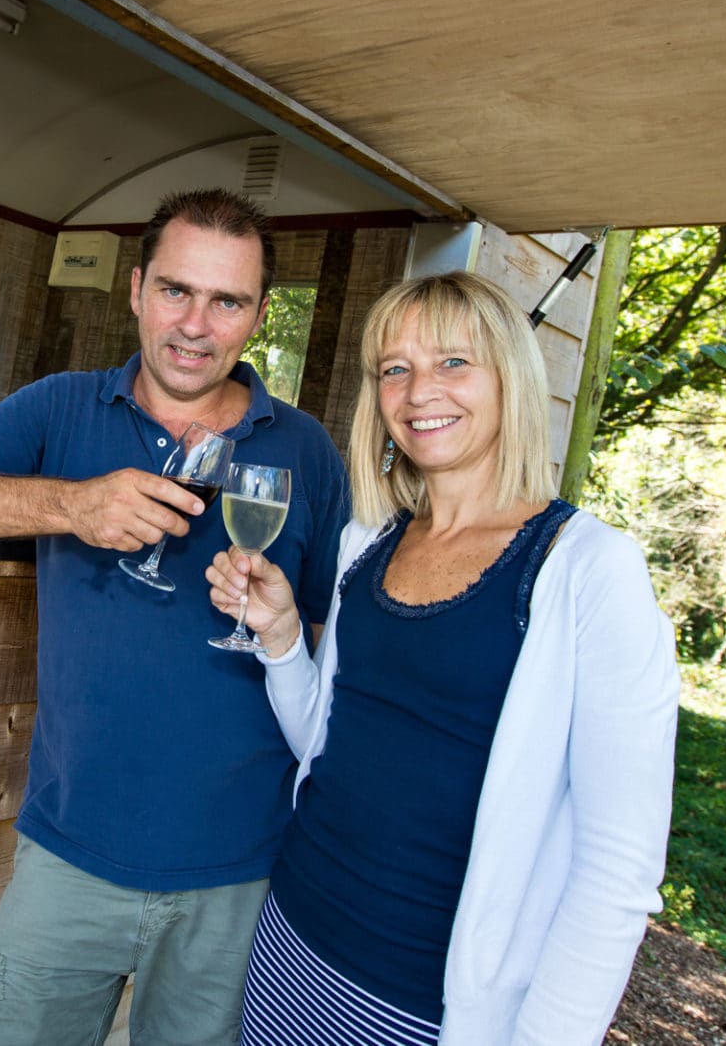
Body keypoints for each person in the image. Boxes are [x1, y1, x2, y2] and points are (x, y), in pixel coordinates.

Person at [0, 188, 350, 1046]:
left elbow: (328, 648)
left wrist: (278, 628)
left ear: (257, 315)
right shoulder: (62, 407)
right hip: (69, 853)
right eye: (176, 290)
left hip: (241, 875)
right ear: (136, 289)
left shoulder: (305, 449)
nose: (195, 324)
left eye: (226, 301)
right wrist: (70, 505)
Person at [206, 270, 679, 1044]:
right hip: (291, 936)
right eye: (395, 368)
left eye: (453, 361)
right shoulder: (368, 540)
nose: (419, 390)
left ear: (510, 379)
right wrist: (285, 637)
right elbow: (324, 747)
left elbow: (617, 872)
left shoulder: (589, 569)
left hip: (424, 1004)